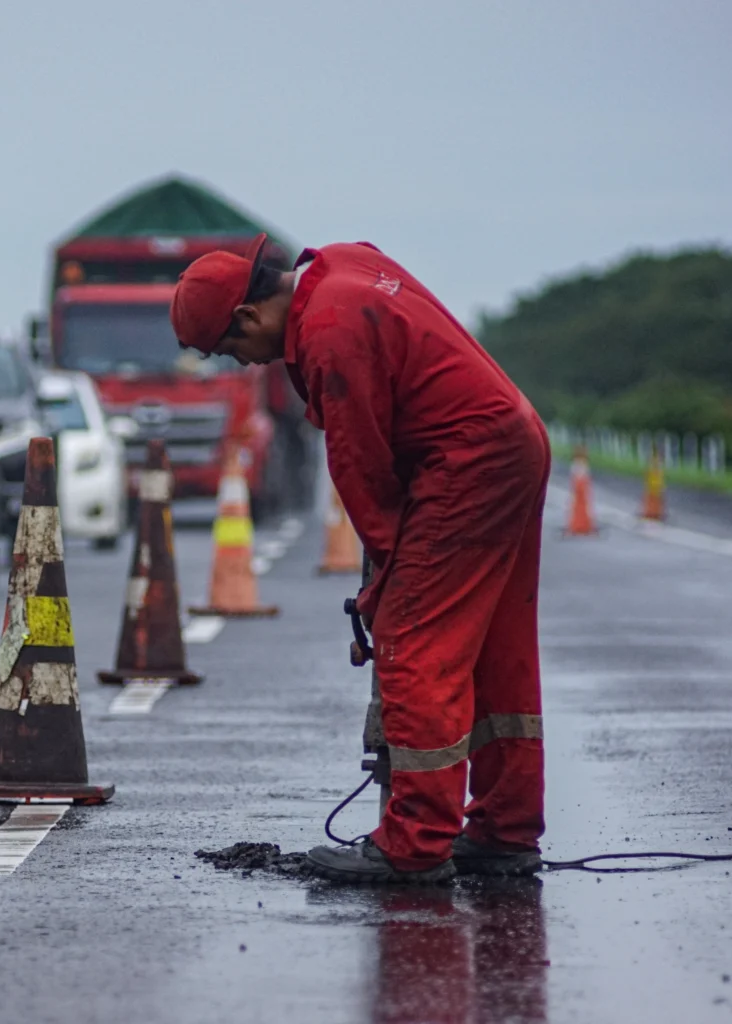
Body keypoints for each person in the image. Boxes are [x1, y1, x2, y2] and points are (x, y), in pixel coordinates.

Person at [170, 235, 549, 883]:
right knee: (494, 647)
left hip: (467, 462)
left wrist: (386, 588)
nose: (246, 364)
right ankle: (504, 830)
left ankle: (415, 843)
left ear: (249, 316)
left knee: (415, 640)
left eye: (233, 350)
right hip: (513, 439)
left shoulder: (328, 332)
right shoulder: (342, 264)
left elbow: (362, 471)